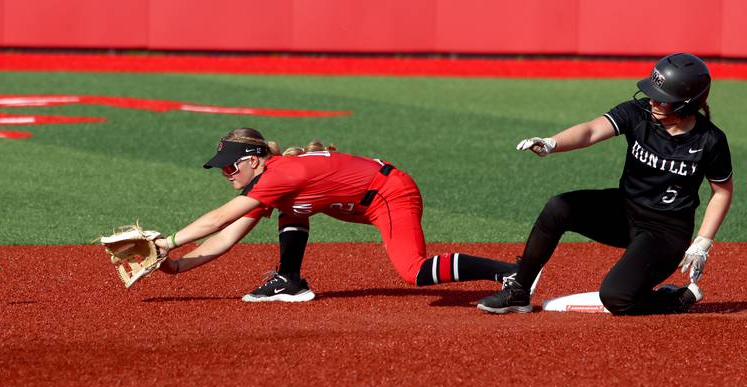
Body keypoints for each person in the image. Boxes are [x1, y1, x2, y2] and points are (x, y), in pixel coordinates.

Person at [478, 53, 733, 315]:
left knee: (615, 298)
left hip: (665, 233)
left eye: (663, 98)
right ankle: (518, 291)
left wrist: (703, 242)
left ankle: (676, 299)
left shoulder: (710, 140)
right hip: (625, 210)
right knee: (559, 208)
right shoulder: (639, 113)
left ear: (685, 105)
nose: (653, 100)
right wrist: (552, 143)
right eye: (653, 93)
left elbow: (722, 192)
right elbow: (591, 131)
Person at [154, 127, 513, 302]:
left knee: (414, 271)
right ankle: (290, 281)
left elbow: (217, 220)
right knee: (290, 210)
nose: (226, 173)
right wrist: (175, 265)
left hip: (390, 193)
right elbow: (226, 236)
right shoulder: (272, 182)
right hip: (367, 199)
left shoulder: (279, 175)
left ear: (252, 160)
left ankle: (513, 272)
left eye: (230, 167)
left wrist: (166, 242)